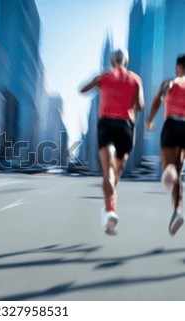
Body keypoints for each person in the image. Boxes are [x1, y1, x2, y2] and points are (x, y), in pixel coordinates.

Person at [80, 49, 144, 236]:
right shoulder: (135, 79)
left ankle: (109, 209)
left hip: (106, 125)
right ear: (127, 61)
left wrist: (97, 80)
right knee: (116, 173)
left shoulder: (104, 76)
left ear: (111, 60)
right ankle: (109, 209)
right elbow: (140, 106)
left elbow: (82, 90)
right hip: (126, 126)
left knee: (107, 171)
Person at [146, 55, 185, 236]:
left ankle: (177, 210)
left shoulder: (170, 82)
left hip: (172, 126)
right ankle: (177, 210)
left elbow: (156, 102)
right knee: (178, 167)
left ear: (178, 67)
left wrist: (149, 120)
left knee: (169, 170)